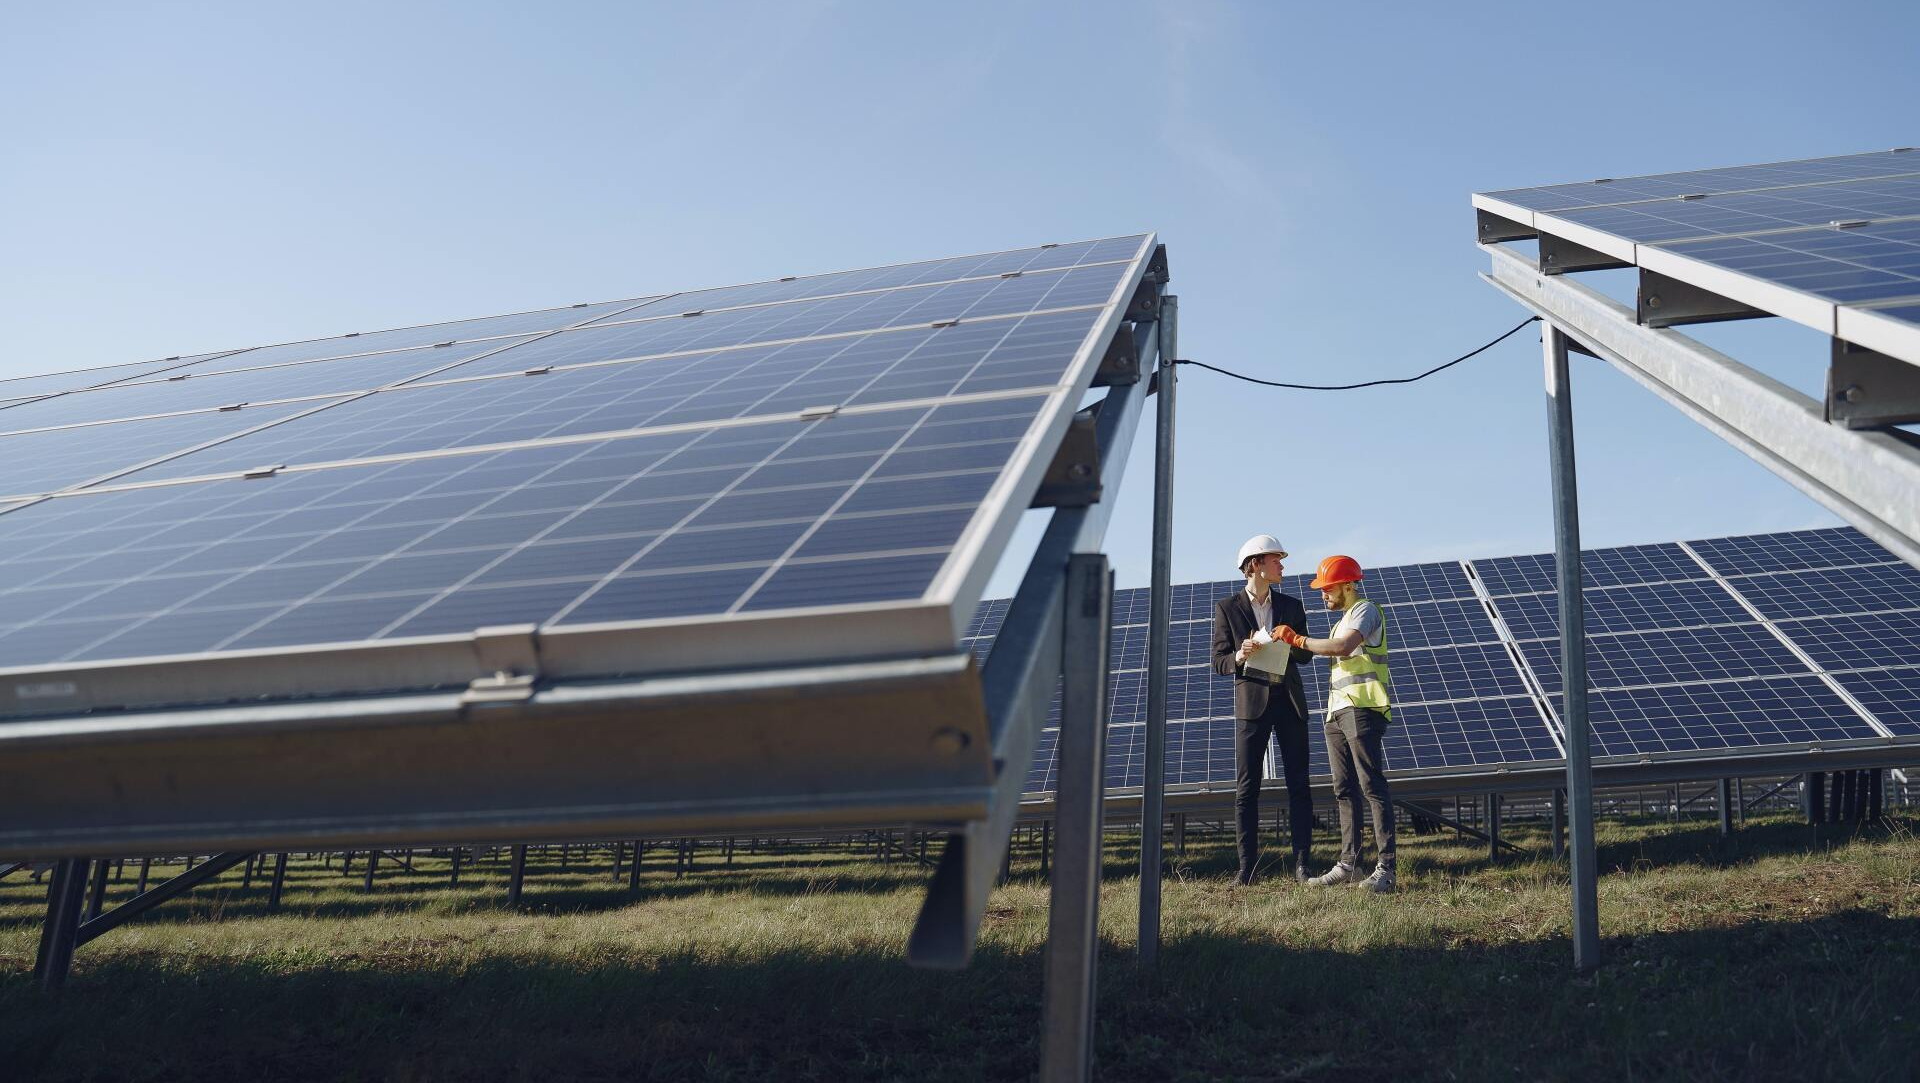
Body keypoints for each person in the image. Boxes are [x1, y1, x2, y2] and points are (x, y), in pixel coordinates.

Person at [1278, 555, 1396, 893]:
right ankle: (1350, 865)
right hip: (1337, 713)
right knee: (1344, 789)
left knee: (1371, 786)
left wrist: (1297, 640)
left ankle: (1386, 869)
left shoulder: (1365, 610)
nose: (1322, 594)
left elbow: (1342, 648)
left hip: (1362, 708)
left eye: (1327, 588)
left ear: (1347, 585)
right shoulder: (1342, 618)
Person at [1210, 534, 1316, 885]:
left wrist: (1291, 639)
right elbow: (1219, 661)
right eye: (1276, 560)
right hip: (1252, 705)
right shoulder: (1227, 608)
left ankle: (1302, 865)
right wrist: (1241, 654)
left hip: (1289, 702)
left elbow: (1306, 654)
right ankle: (1247, 869)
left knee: (1299, 785)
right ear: (1256, 564)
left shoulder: (1292, 606)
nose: (1282, 566)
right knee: (1246, 790)